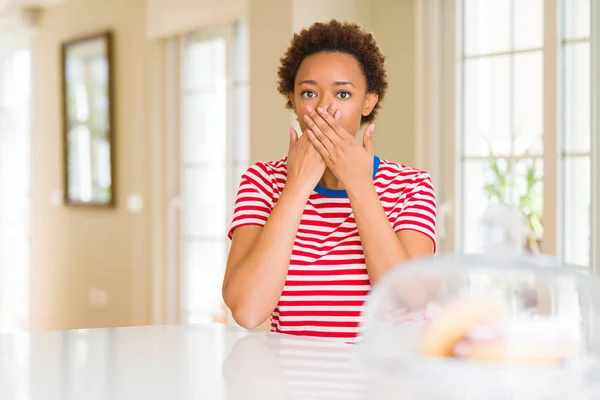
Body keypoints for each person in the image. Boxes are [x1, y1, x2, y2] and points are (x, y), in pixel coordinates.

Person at [222, 19, 437, 342]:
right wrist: (295, 188)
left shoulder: (411, 186)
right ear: (293, 101)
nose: (324, 107)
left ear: (368, 102)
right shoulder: (262, 182)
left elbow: (409, 300)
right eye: (309, 92)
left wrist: (360, 185)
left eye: (343, 94)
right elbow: (248, 311)